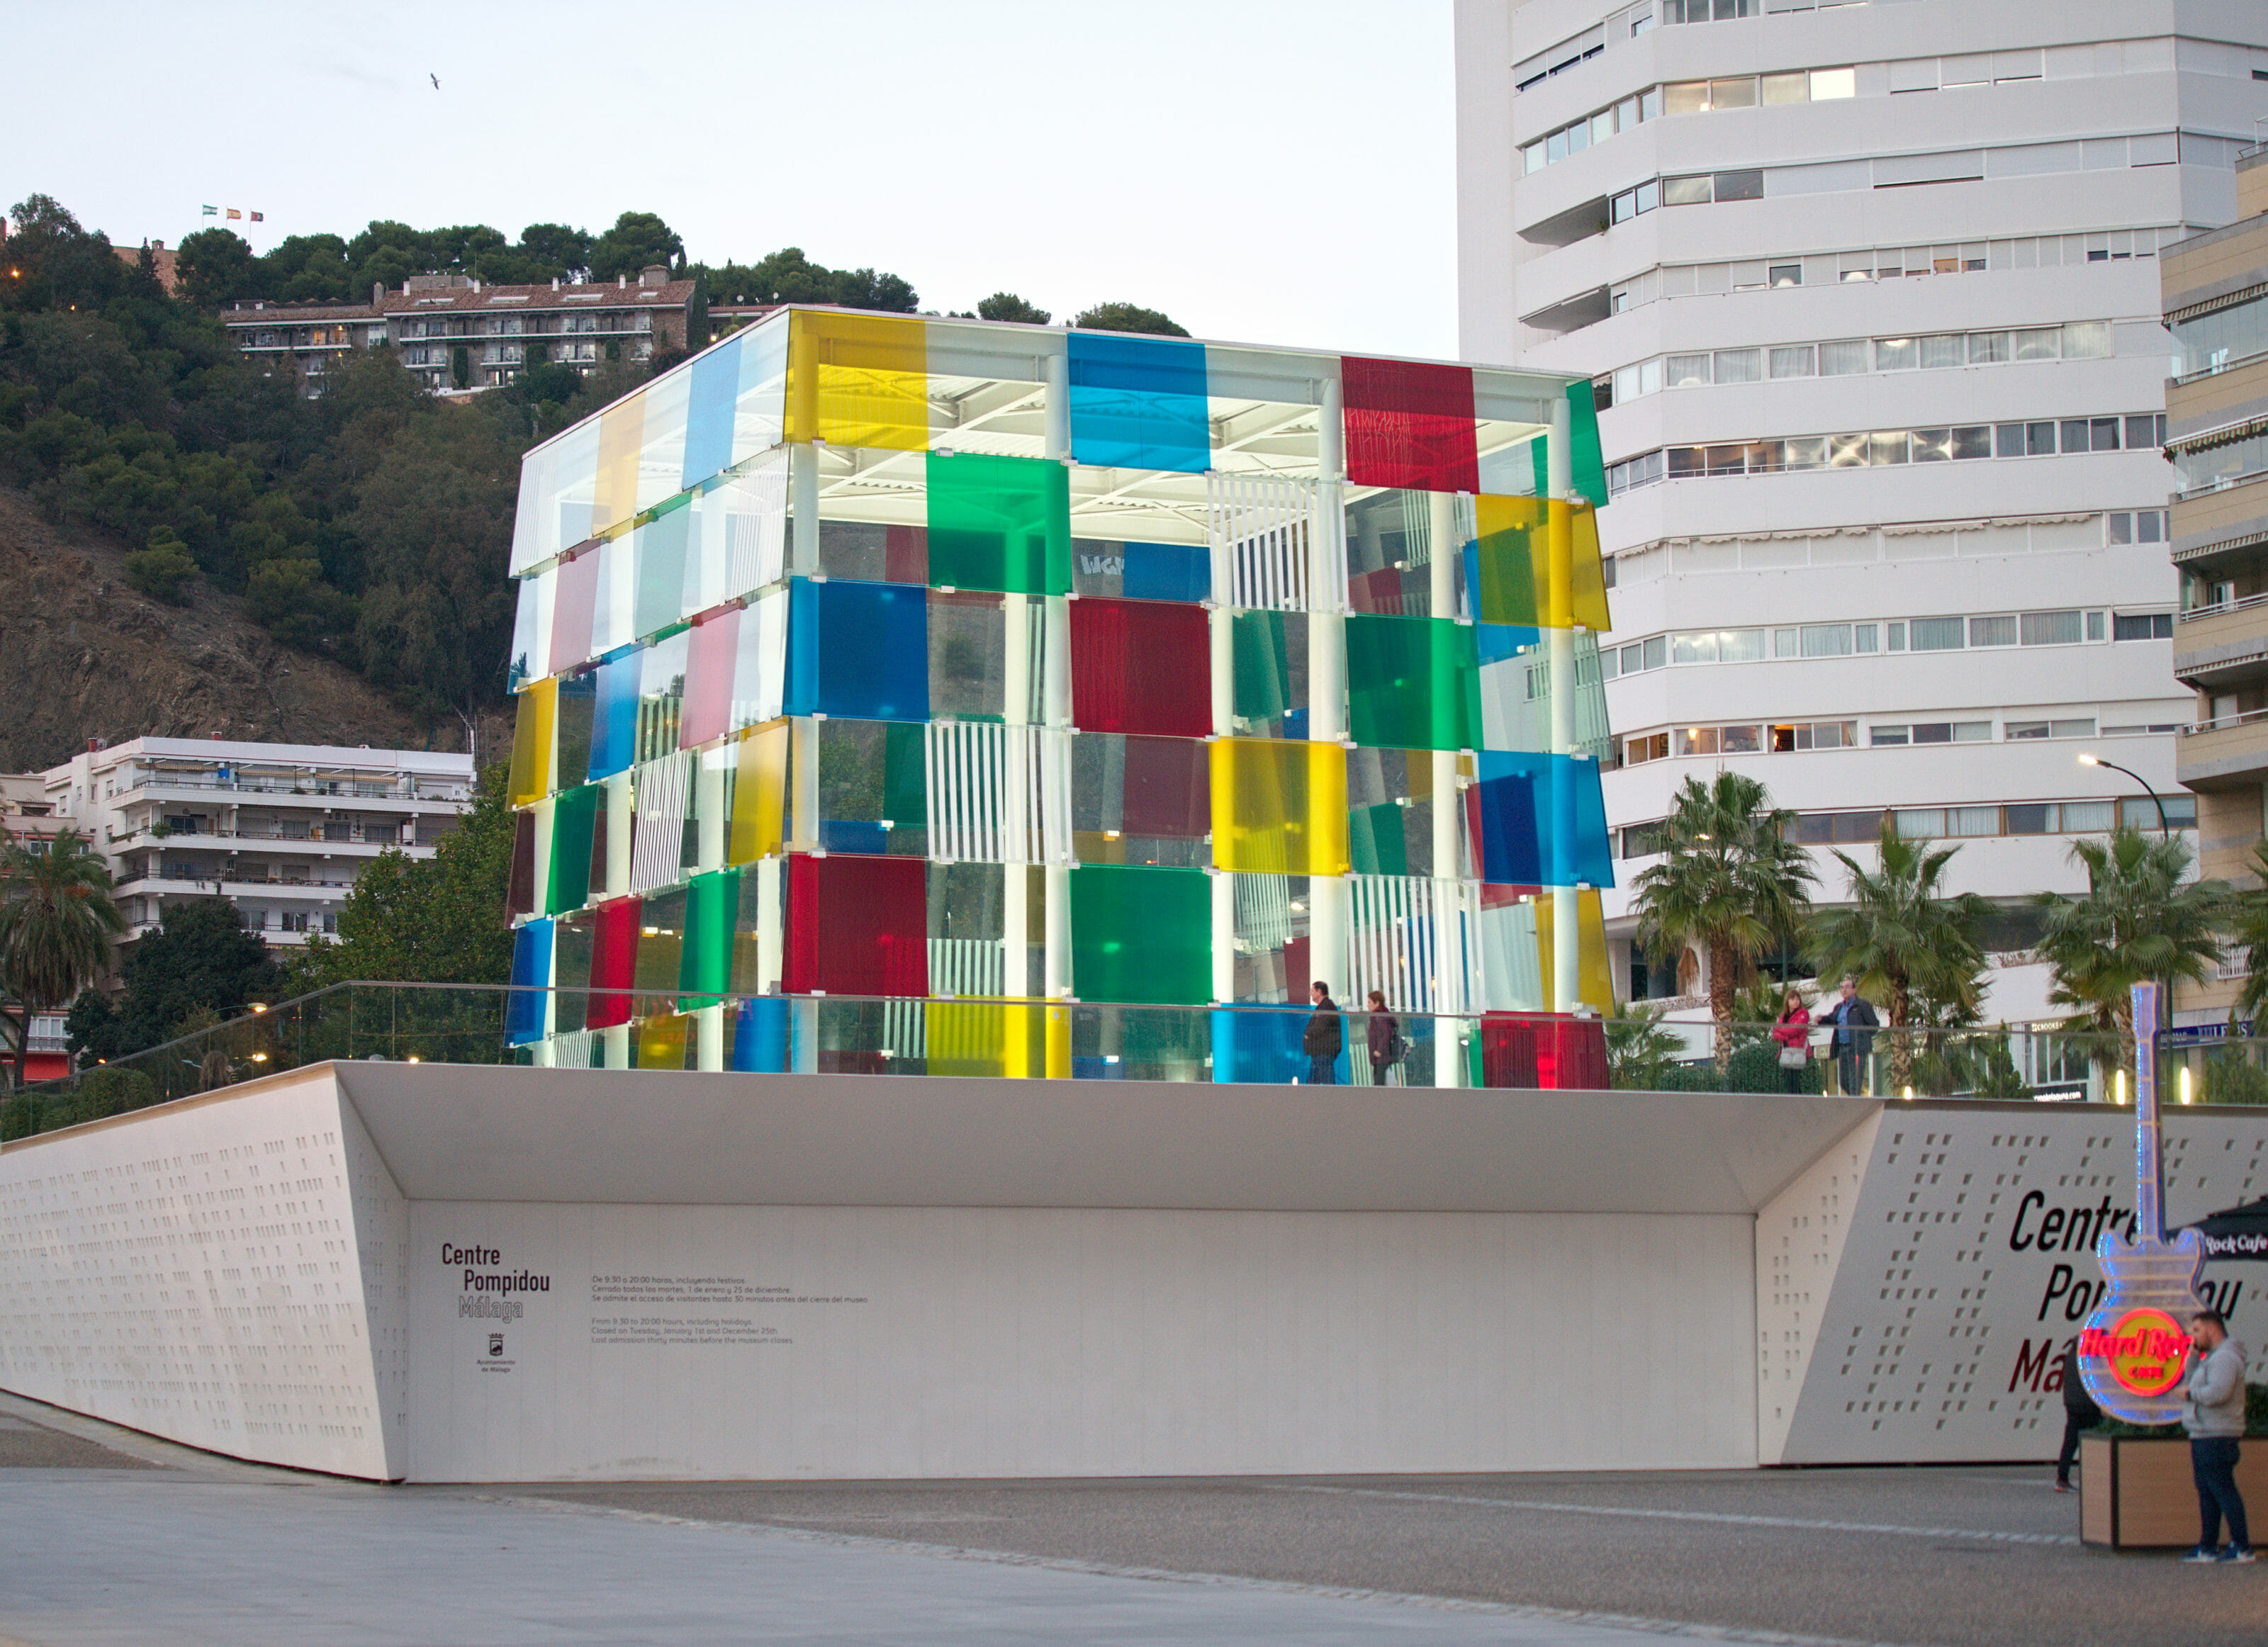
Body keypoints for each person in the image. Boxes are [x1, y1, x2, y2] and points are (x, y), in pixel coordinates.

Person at [2182, 1310, 2254, 1563]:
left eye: (2198, 1330)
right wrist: (2192, 1357)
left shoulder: (2225, 1359)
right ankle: (2208, 1546)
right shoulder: (2211, 1358)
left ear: (2212, 1330)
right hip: (2204, 1433)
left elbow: (2218, 1393)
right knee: (2207, 1491)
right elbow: (2191, 1383)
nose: (2194, 1337)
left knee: (2222, 1489)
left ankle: (2242, 1547)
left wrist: (2191, 1396)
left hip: (2218, 1434)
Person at [2054, 1339, 2101, 1493]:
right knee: (2095, 1442)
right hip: (2089, 1404)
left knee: (2070, 1442)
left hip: (2071, 1404)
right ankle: (2094, 1479)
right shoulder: (2093, 1355)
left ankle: (2062, 1478)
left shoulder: (2071, 1354)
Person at [1823, 975, 1877, 1096]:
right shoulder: (1839, 1007)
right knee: (1843, 1081)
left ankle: (1855, 1101)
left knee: (1855, 1080)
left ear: (1854, 990)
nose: (1844, 990)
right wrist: (1821, 1020)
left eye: (1848, 987)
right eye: (1842, 987)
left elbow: (1874, 1025)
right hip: (1842, 1047)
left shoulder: (1862, 1005)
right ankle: (1854, 1098)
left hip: (1856, 1048)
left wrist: (1862, 1037)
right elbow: (1832, 1019)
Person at [1768, 989, 1811, 1094]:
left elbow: (1796, 1029)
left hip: (1797, 1049)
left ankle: (1797, 1102)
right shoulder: (1783, 1016)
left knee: (1795, 1078)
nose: (1796, 1001)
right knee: (1788, 1079)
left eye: (1798, 999)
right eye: (1793, 999)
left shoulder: (1803, 1013)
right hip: (1786, 1049)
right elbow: (1775, 1034)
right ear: (1788, 1001)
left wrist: (1782, 1030)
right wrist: (1786, 1036)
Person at [1303, 982, 1342, 1086]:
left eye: (1312, 991)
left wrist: (1308, 1034)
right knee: (1313, 1082)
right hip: (1318, 1052)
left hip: (1323, 1051)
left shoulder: (1326, 1007)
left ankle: (1330, 1101)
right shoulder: (1324, 1007)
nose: (1310, 994)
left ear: (1319, 992)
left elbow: (1321, 1026)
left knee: (1326, 1082)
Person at [1366, 990, 1400, 1087]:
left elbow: (1386, 1034)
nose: (1368, 1006)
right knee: (1381, 1081)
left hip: (1381, 1057)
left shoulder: (1380, 1017)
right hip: (1379, 1057)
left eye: (1369, 1003)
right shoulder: (1377, 1017)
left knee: (1379, 1083)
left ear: (1377, 1003)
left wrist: (1379, 1050)